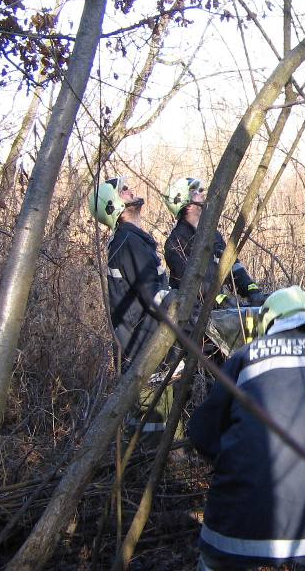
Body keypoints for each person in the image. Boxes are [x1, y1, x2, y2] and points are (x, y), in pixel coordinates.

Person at [188, 286, 305, 571]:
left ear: (269, 322)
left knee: (215, 561)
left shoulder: (246, 357)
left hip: (242, 522)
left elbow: (203, 435)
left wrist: (238, 459)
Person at [88, 176, 180, 444]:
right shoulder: (129, 242)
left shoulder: (132, 240)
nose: (131, 191)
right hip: (145, 349)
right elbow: (154, 296)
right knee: (153, 429)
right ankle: (153, 480)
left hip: (147, 344)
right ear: (111, 205)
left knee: (158, 423)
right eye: (123, 191)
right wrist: (187, 307)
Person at [163, 177, 267, 309]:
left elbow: (231, 264)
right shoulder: (175, 243)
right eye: (196, 192)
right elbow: (191, 284)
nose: (202, 193)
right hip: (193, 315)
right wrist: (220, 300)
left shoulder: (212, 234)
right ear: (186, 205)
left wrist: (252, 291)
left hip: (217, 308)